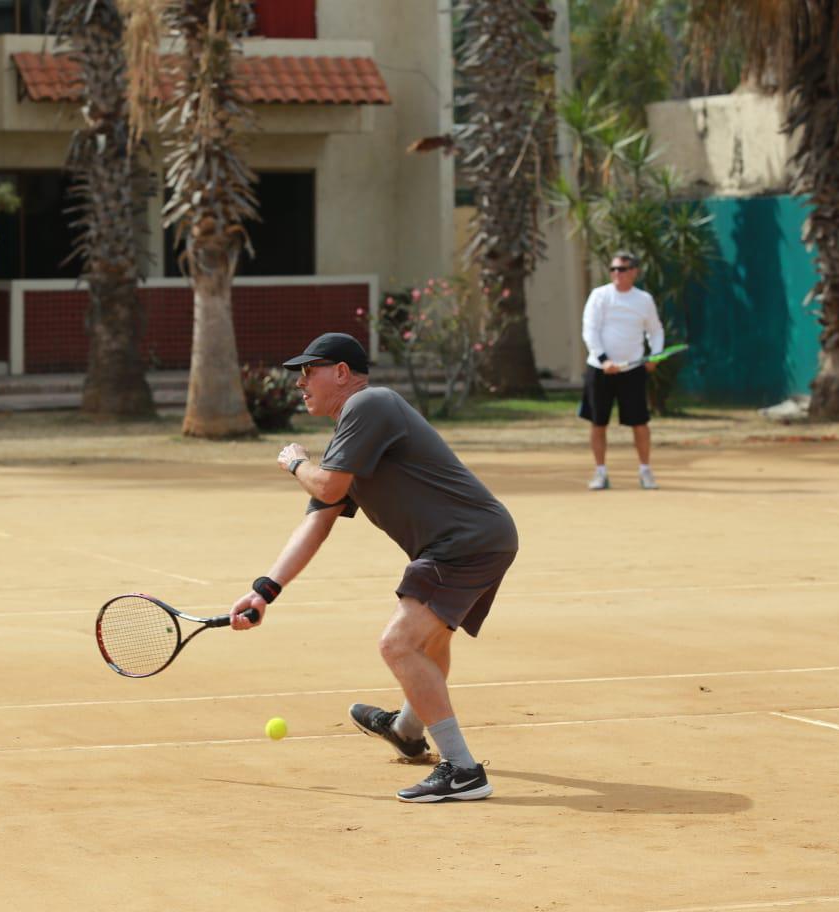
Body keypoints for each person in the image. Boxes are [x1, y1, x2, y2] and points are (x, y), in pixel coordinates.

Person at [229, 332, 519, 803]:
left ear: (342, 374)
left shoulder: (369, 405)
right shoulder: (353, 435)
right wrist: (265, 591)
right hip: (478, 539)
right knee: (430, 641)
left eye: (309, 371)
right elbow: (317, 524)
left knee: (397, 644)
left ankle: (463, 769)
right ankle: (406, 730)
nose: (300, 383)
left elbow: (322, 488)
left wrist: (295, 463)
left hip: (463, 542)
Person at [579, 251, 664, 490]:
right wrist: (605, 360)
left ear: (634, 272)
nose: (617, 273)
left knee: (640, 423)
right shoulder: (600, 296)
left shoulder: (644, 300)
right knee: (598, 423)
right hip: (600, 370)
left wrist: (655, 354)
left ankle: (645, 471)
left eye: (622, 269)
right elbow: (590, 330)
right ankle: (600, 473)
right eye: (613, 269)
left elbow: (655, 330)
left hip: (633, 370)